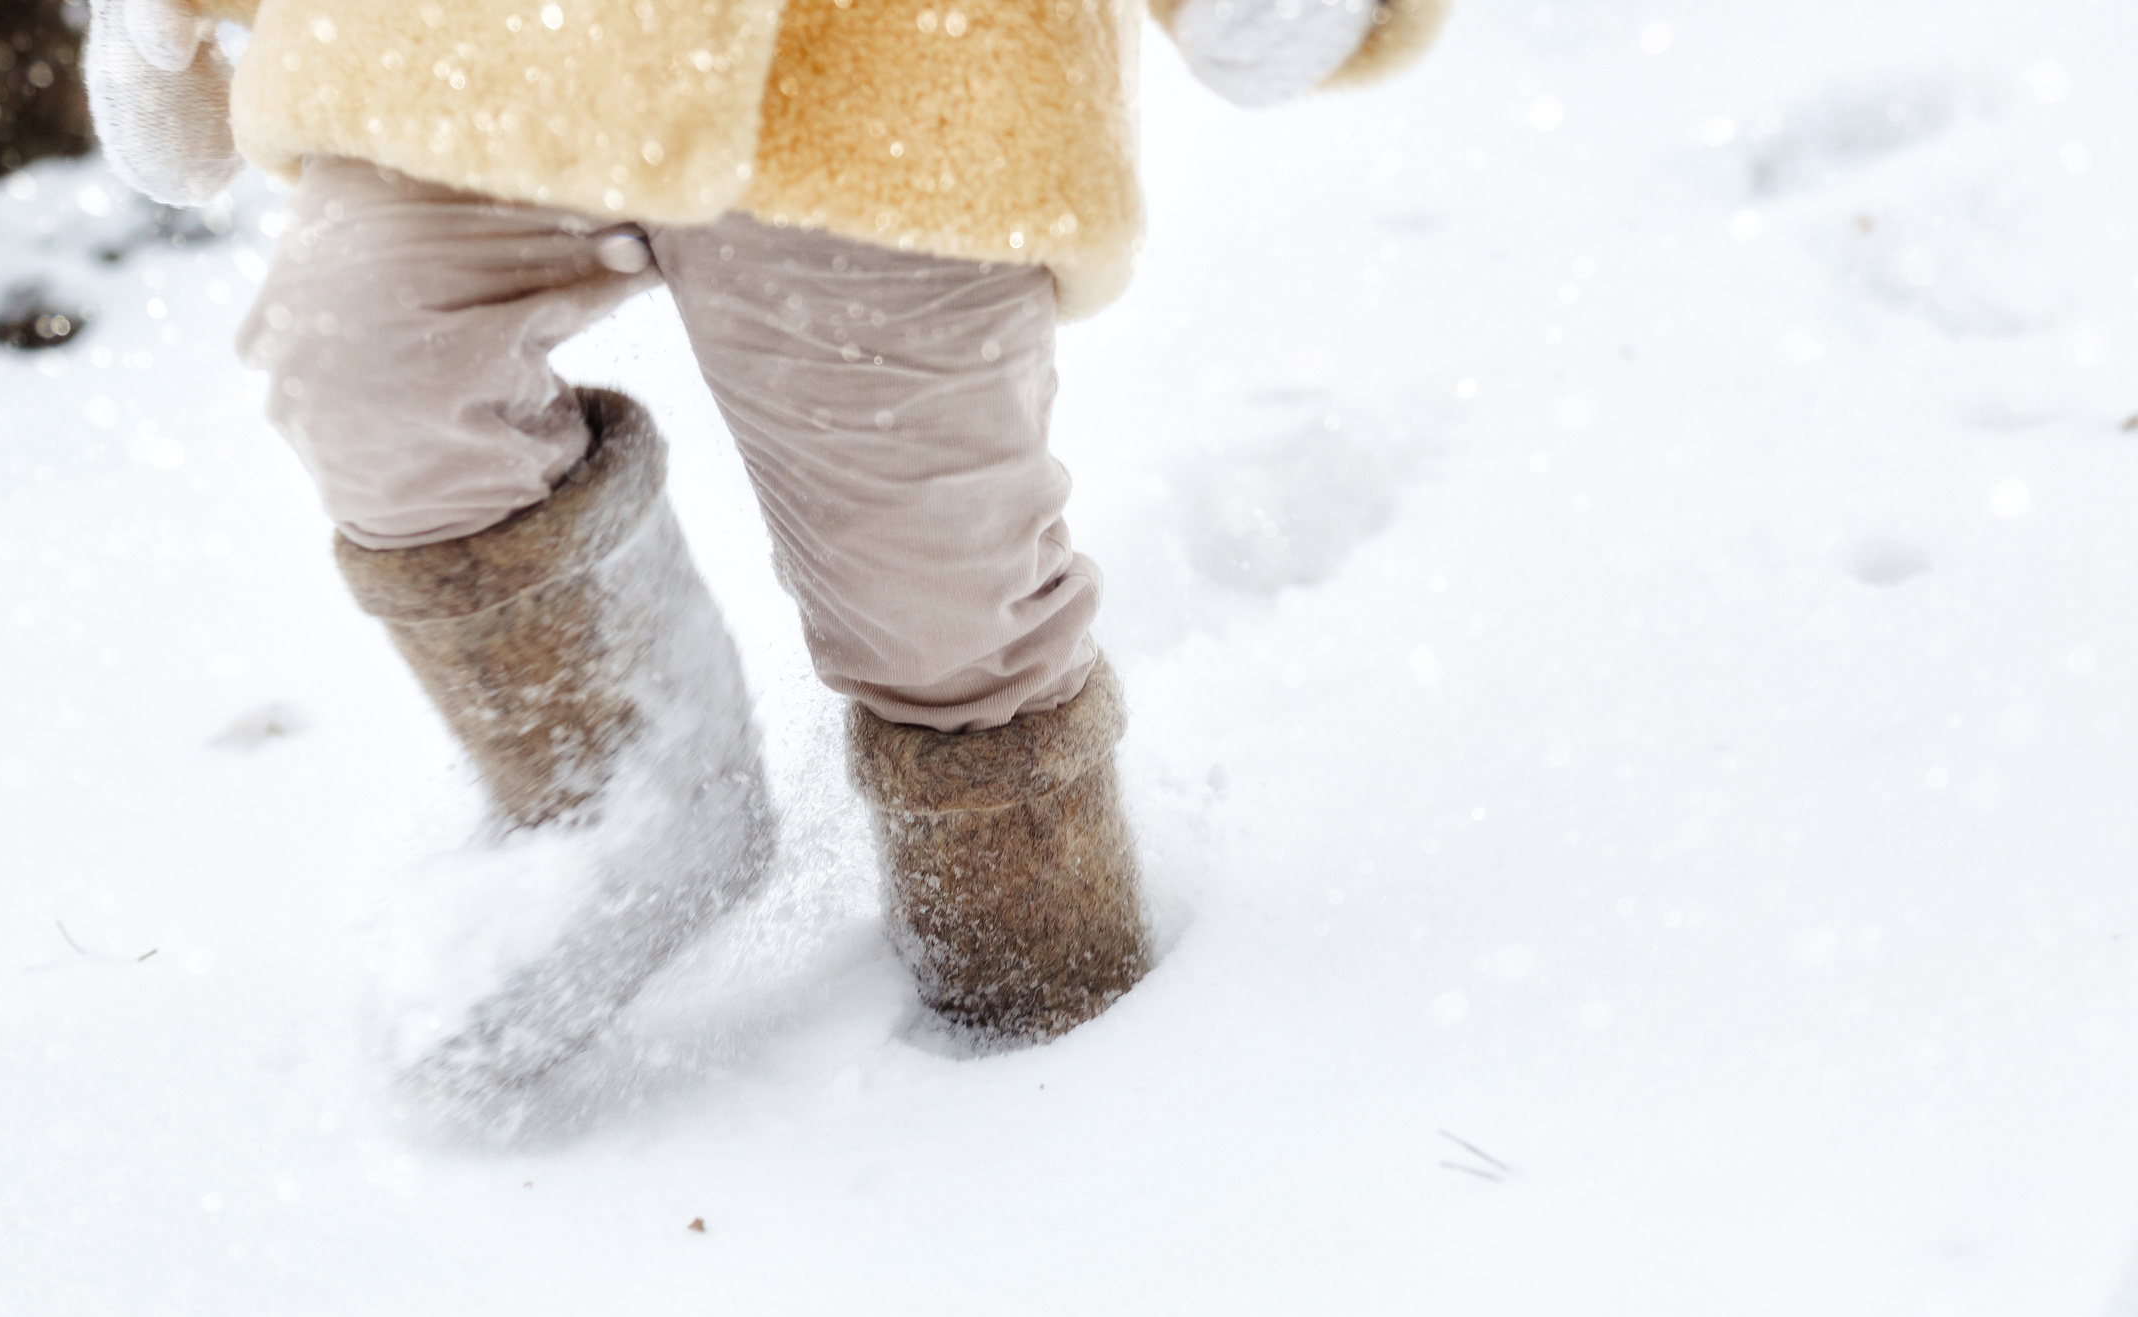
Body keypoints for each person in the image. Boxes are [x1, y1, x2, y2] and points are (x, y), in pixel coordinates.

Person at [83, 0, 1449, 1104]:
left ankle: (1052, 1031)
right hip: (464, 49)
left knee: (944, 613)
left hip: (901, 78)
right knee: (366, 355)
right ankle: (623, 801)